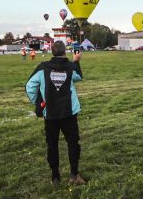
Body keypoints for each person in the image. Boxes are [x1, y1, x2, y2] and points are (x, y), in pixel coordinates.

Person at [26, 41, 85, 186]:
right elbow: (78, 76)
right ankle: (74, 174)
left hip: (50, 114)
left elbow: (30, 86)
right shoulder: (71, 67)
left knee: (52, 145)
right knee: (73, 143)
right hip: (69, 113)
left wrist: (39, 102)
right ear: (65, 51)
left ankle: (55, 177)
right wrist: (76, 61)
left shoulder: (43, 68)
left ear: (52, 52)